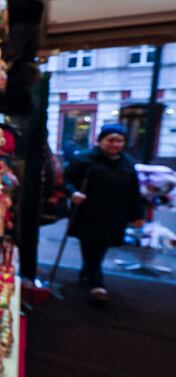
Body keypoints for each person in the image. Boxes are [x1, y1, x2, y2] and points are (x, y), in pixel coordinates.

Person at [64, 123, 145, 302]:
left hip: (115, 213)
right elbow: (67, 179)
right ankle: (97, 282)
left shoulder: (128, 163)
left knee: (102, 245)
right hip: (89, 211)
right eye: (111, 140)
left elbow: (134, 190)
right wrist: (73, 193)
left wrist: (138, 215)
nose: (115, 144)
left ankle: (88, 272)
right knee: (90, 244)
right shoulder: (85, 159)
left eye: (120, 141)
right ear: (101, 140)